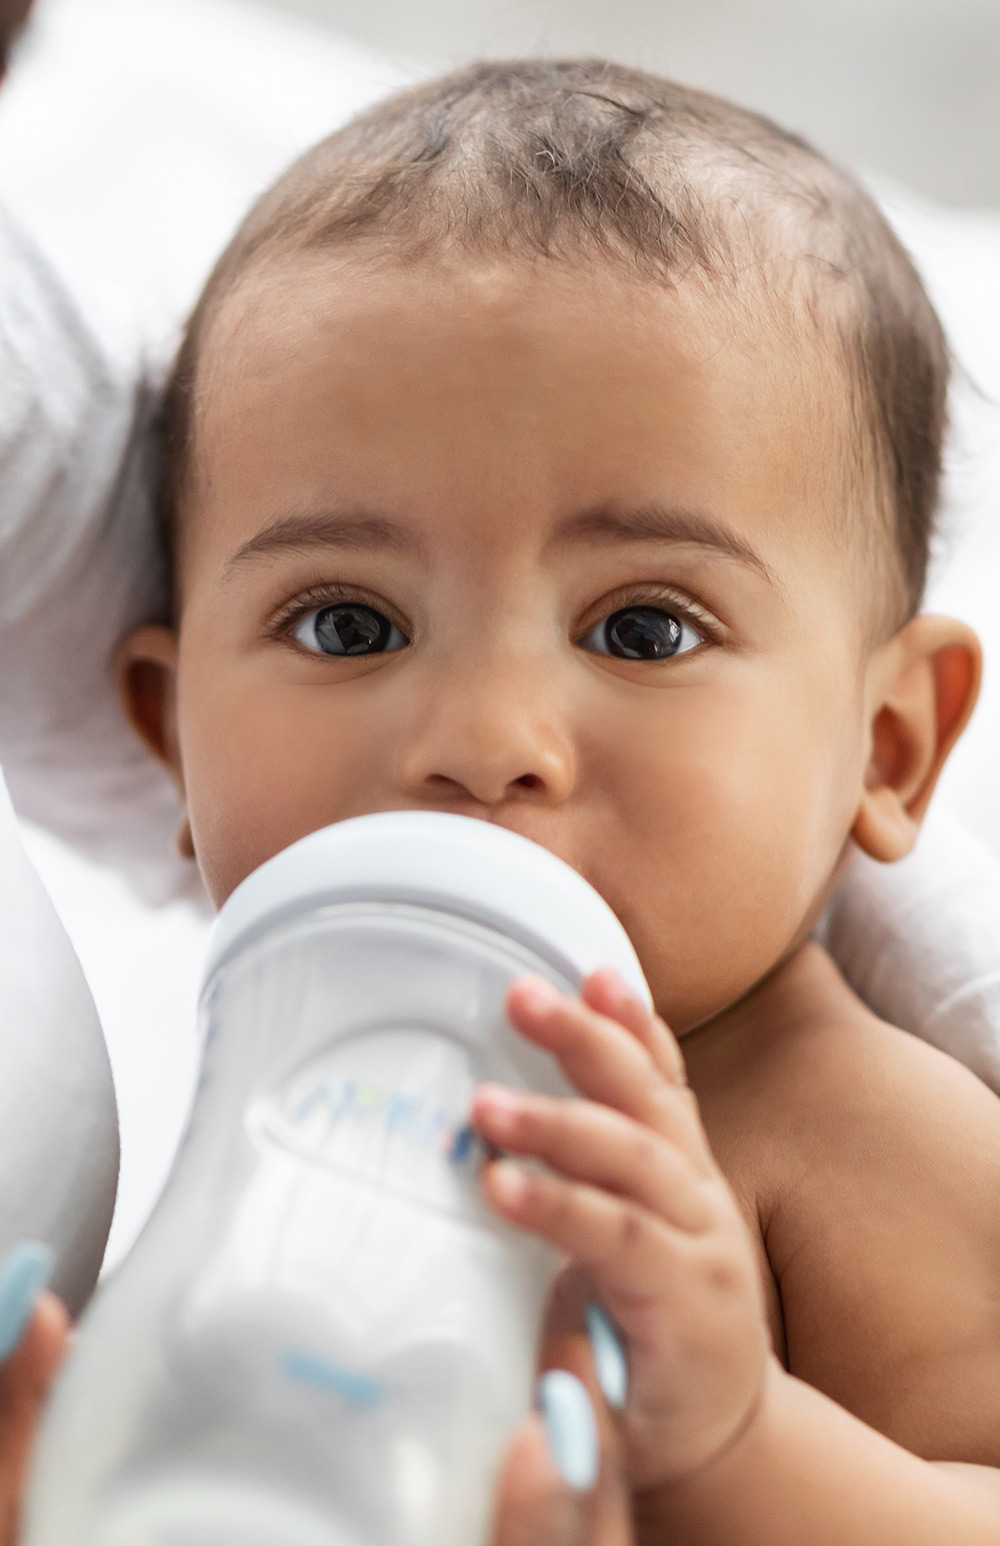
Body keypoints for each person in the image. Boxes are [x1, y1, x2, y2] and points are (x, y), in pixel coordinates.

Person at [11, 53, 1000, 1543]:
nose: (482, 739)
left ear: (887, 747)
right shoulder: (274, 1115)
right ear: (171, 739)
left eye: (644, 628)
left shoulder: (853, 1130)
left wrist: (740, 1437)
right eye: (347, 624)